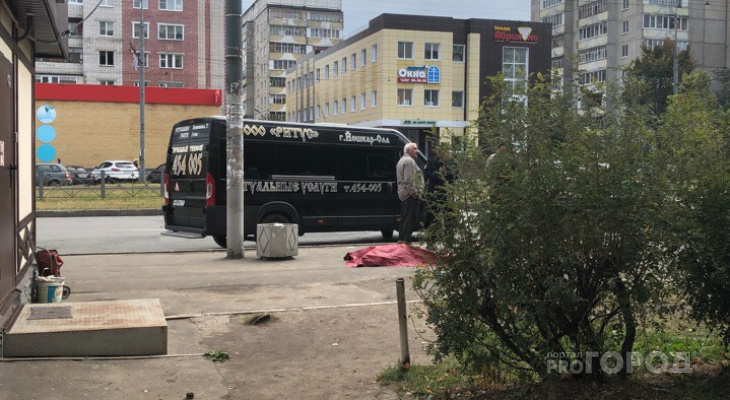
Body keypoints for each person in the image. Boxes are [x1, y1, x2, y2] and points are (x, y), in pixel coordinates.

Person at [396, 142, 423, 244]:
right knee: (409, 219)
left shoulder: (402, 160)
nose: (417, 151)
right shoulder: (409, 161)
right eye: (414, 149)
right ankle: (406, 242)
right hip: (409, 195)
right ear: (408, 150)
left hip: (404, 194)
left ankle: (402, 240)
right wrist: (415, 194)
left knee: (404, 218)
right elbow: (409, 180)